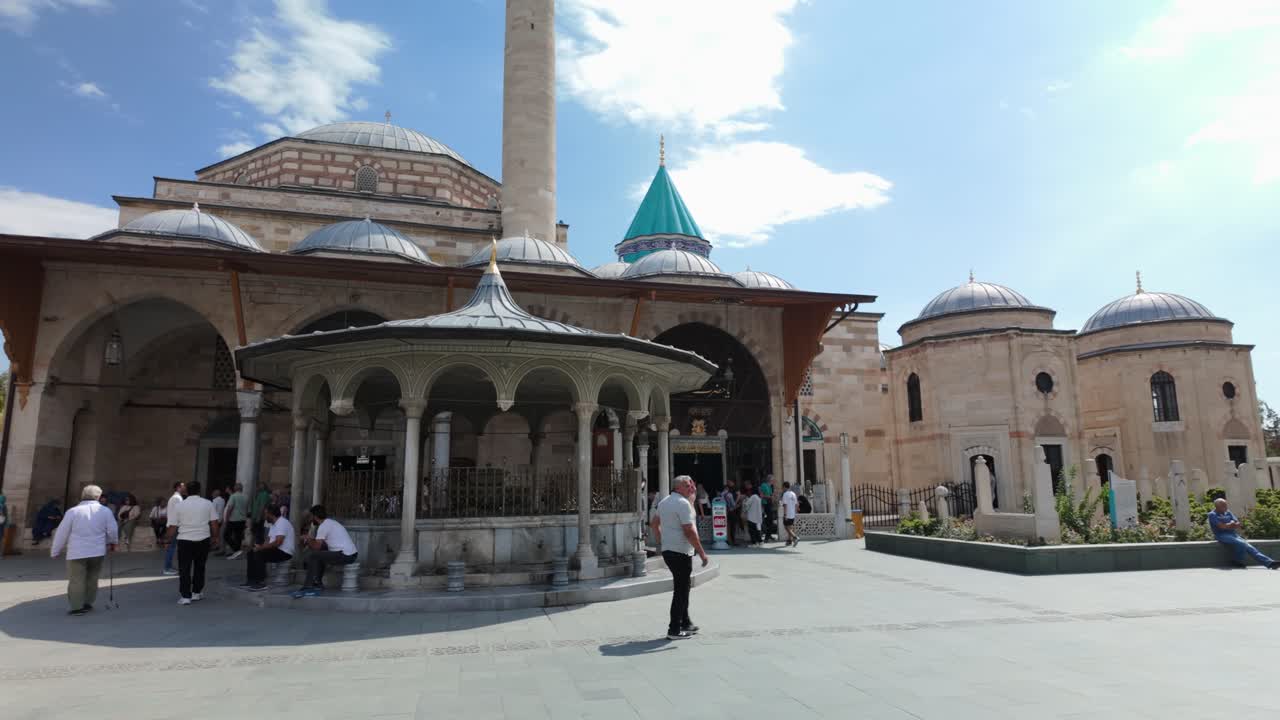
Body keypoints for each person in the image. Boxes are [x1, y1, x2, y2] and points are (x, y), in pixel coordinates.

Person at [649, 475, 708, 640]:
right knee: (681, 590)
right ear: (679, 487)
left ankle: (685, 622)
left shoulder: (665, 502)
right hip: (680, 551)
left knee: (683, 586)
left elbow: (654, 524)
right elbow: (689, 530)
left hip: (669, 550)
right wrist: (702, 552)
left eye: (691, 484)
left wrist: (661, 541)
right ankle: (674, 629)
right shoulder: (682, 504)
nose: (691, 487)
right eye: (688, 485)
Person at [49, 485, 118, 615]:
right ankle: (88, 602)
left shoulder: (73, 511)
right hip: (97, 551)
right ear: (98, 496)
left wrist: (55, 550)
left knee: (76, 579)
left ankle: (77, 607)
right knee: (92, 578)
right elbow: (113, 529)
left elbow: (62, 532)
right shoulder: (105, 511)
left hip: (77, 551)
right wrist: (112, 542)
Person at [167, 480, 219, 605]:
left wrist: (166, 539)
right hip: (203, 539)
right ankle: (196, 592)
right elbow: (214, 523)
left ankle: (185, 596)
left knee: (184, 568)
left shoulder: (179, 506)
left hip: (185, 540)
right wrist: (216, 537)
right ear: (199, 490)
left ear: (186, 491)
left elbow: (173, 526)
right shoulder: (208, 503)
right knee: (200, 567)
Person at [294, 505, 358, 598]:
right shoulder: (330, 523)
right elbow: (319, 546)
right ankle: (317, 583)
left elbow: (316, 546)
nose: (311, 520)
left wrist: (307, 539)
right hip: (351, 554)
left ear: (315, 516)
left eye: (311, 517)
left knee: (313, 555)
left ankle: (308, 586)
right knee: (320, 553)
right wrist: (310, 540)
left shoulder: (323, 526)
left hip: (345, 555)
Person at [1208, 498, 1280, 569]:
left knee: (1250, 548)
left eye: (1226, 505)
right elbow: (1222, 527)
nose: (1226, 507)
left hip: (1234, 535)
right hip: (1222, 535)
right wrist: (1231, 523)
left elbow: (1238, 523)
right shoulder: (1212, 514)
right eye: (1224, 506)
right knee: (1242, 544)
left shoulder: (1228, 512)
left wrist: (1230, 525)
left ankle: (1269, 563)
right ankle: (1237, 561)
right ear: (1217, 507)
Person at [240, 504, 296, 591]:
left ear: (271, 514)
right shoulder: (273, 524)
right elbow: (268, 540)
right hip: (277, 550)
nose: (264, 516)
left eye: (266, 514)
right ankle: (251, 580)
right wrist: (259, 547)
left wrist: (261, 548)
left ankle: (261, 582)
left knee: (260, 554)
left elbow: (278, 542)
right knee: (251, 552)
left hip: (285, 552)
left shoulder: (282, 523)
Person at [161, 482, 185, 576]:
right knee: (171, 548)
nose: (185, 487)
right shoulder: (177, 498)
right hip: (174, 526)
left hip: (172, 525)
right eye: (183, 486)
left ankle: (168, 567)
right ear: (178, 487)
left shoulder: (175, 498)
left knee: (171, 548)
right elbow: (179, 513)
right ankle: (167, 568)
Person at [223, 483, 249, 560]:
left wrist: (226, 519)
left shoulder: (233, 496)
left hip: (233, 519)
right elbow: (246, 508)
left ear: (235, 488)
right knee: (238, 537)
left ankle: (236, 549)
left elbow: (230, 508)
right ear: (242, 488)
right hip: (242, 519)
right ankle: (236, 551)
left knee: (226, 535)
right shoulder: (246, 497)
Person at [781, 481, 799, 547]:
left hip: (787, 514)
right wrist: (795, 512)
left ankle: (795, 537)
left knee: (786, 527)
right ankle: (789, 541)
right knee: (790, 527)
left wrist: (785, 514)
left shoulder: (785, 494)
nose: (782, 488)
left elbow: (785, 505)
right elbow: (797, 504)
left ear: (784, 487)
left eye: (782, 487)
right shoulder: (793, 494)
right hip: (792, 514)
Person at [759, 474, 776, 541]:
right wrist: (770, 497)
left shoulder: (770, 486)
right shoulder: (764, 485)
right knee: (769, 520)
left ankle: (769, 535)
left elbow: (771, 495)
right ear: (770, 480)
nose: (774, 481)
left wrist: (773, 497)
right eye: (773, 480)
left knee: (770, 521)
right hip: (765, 504)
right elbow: (761, 495)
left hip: (770, 504)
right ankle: (767, 537)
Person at [210, 488, 226, 552]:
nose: (212, 495)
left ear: (215, 494)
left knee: (213, 533)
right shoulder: (223, 500)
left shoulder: (215, 500)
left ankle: (214, 545)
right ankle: (217, 545)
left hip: (215, 519)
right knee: (218, 533)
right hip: (221, 518)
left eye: (213, 494)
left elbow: (212, 510)